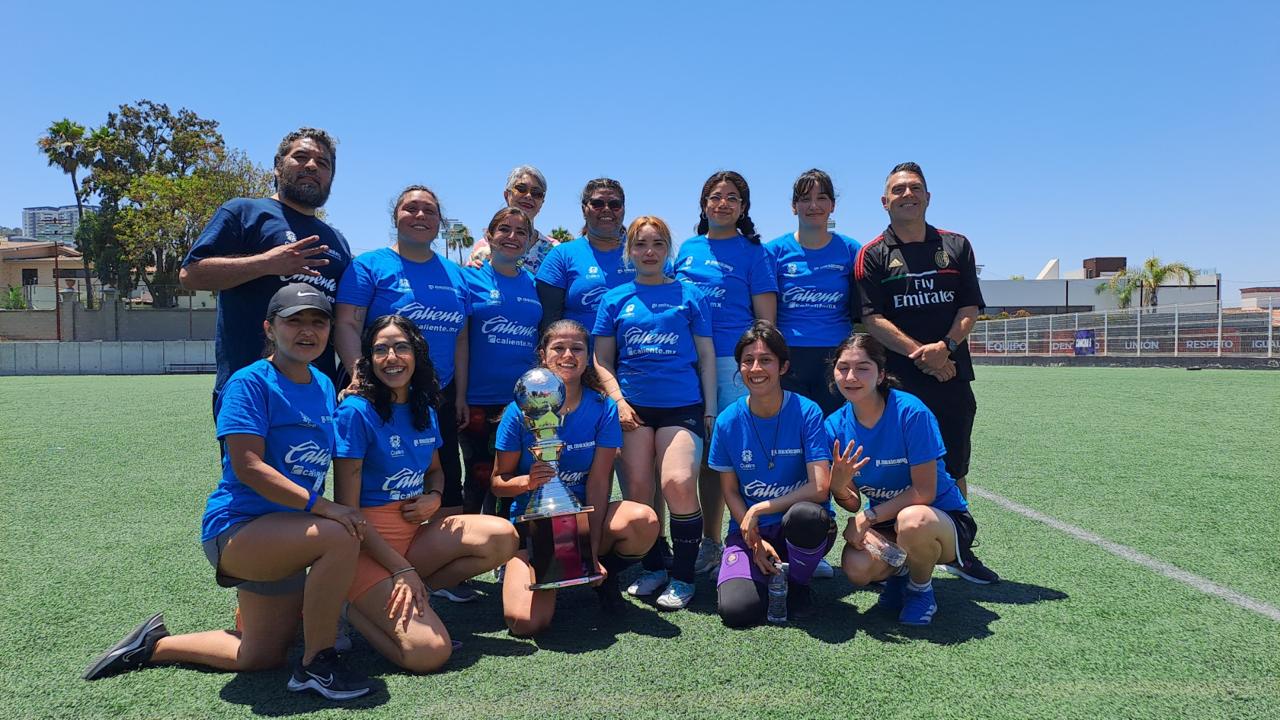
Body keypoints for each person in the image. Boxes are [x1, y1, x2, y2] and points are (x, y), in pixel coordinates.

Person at [83, 284, 371, 701]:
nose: (308, 331)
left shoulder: (324, 385)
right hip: (240, 530)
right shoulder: (250, 382)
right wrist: (323, 507)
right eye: (294, 321)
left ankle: (154, 645)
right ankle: (318, 664)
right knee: (341, 533)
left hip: (291, 533)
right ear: (270, 328)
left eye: (318, 322)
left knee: (260, 655)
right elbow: (248, 466)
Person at [333, 315, 518, 671]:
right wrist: (400, 568)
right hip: (365, 545)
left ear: (416, 354)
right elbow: (348, 513)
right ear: (368, 359)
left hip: (413, 536)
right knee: (429, 652)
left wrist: (434, 496)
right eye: (381, 349)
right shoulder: (355, 412)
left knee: (502, 537)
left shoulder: (424, 407)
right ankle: (348, 605)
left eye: (401, 347)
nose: (392, 357)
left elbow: (435, 471)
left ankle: (410, 594)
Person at [853, 161, 998, 584]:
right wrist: (922, 353)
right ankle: (900, 548)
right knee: (901, 467)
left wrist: (945, 348)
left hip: (951, 374)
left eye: (915, 188)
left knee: (954, 465)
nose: (907, 195)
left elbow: (969, 306)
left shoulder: (956, 245)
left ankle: (960, 551)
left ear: (928, 197)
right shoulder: (872, 254)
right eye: (898, 190)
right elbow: (871, 318)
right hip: (898, 381)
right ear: (885, 201)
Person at [334, 185, 478, 600]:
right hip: (382, 394)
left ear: (440, 221)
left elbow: (461, 338)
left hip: (437, 394)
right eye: (410, 207)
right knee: (374, 479)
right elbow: (347, 323)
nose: (420, 215)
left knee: (445, 476)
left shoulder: (456, 274)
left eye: (429, 209)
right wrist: (359, 376)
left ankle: (437, 571)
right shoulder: (370, 266)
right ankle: (366, 569)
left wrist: (460, 395)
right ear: (395, 216)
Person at [492, 320, 658, 635]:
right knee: (526, 623)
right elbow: (498, 483)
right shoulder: (518, 411)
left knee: (642, 520)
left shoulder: (603, 407)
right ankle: (530, 566)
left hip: (583, 521)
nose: (568, 355)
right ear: (543, 355)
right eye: (558, 348)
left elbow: (598, 483)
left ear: (587, 356)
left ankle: (602, 578)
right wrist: (528, 482)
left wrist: (589, 553)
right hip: (533, 530)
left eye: (577, 348)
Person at [592, 216, 717, 610]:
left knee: (678, 482)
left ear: (668, 250)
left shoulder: (690, 295)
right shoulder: (614, 299)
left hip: (682, 406)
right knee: (639, 492)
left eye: (658, 244)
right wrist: (618, 400)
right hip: (632, 408)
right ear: (629, 251)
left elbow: (707, 356)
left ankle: (683, 576)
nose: (649, 252)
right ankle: (654, 567)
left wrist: (711, 409)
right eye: (641, 244)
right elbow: (601, 360)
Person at [180, 128, 351, 409]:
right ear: (277, 166)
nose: (312, 166)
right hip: (251, 391)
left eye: (323, 163)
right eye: (301, 157)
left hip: (317, 394)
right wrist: (267, 263)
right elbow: (191, 274)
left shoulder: (337, 241)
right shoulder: (244, 213)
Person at [824, 333, 980, 626]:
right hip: (888, 520)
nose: (851, 376)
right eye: (843, 368)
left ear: (881, 374)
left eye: (862, 368)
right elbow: (852, 502)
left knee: (913, 522)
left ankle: (921, 590)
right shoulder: (833, 426)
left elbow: (924, 491)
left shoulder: (910, 412)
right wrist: (838, 484)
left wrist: (868, 517)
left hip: (940, 519)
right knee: (856, 568)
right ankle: (903, 572)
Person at [674, 171, 778, 577]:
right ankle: (709, 541)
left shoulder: (754, 252)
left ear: (743, 207)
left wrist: (757, 364)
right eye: (715, 196)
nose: (722, 203)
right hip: (687, 364)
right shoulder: (687, 249)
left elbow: (766, 321)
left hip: (733, 366)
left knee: (733, 455)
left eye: (732, 197)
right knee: (700, 456)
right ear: (703, 204)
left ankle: (752, 536)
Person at [708, 321, 834, 628]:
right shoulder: (727, 421)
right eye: (747, 360)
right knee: (738, 611)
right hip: (752, 531)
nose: (756, 368)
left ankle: (799, 585)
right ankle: (769, 571)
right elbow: (730, 491)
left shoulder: (807, 411)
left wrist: (760, 508)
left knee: (806, 515)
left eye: (765, 360)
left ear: (783, 366)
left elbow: (820, 487)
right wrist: (754, 541)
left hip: (798, 527)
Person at [460, 207, 542, 516]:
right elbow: (460, 341)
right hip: (480, 401)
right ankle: (469, 542)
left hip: (524, 403)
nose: (512, 237)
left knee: (517, 479)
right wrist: (461, 396)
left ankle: (511, 543)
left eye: (521, 232)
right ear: (489, 235)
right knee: (479, 478)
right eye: (504, 229)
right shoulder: (468, 278)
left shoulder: (535, 284)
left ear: (530, 241)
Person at [767, 169, 861, 416]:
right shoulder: (773, 251)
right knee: (793, 429)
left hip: (836, 356)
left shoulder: (851, 250)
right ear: (793, 206)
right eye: (805, 198)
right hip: (789, 357)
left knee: (833, 430)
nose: (813, 205)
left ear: (832, 205)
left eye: (821, 198)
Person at [535, 178, 634, 336]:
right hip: (580, 352)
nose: (606, 209)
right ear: (584, 209)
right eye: (597, 204)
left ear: (623, 209)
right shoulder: (562, 255)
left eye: (614, 204)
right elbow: (548, 324)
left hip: (635, 352)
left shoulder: (643, 254)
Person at [468, 165, 559, 273]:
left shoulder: (554, 250)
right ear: (507, 195)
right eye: (521, 189)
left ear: (542, 203)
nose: (528, 196)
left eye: (536, 193)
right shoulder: (482, 248)